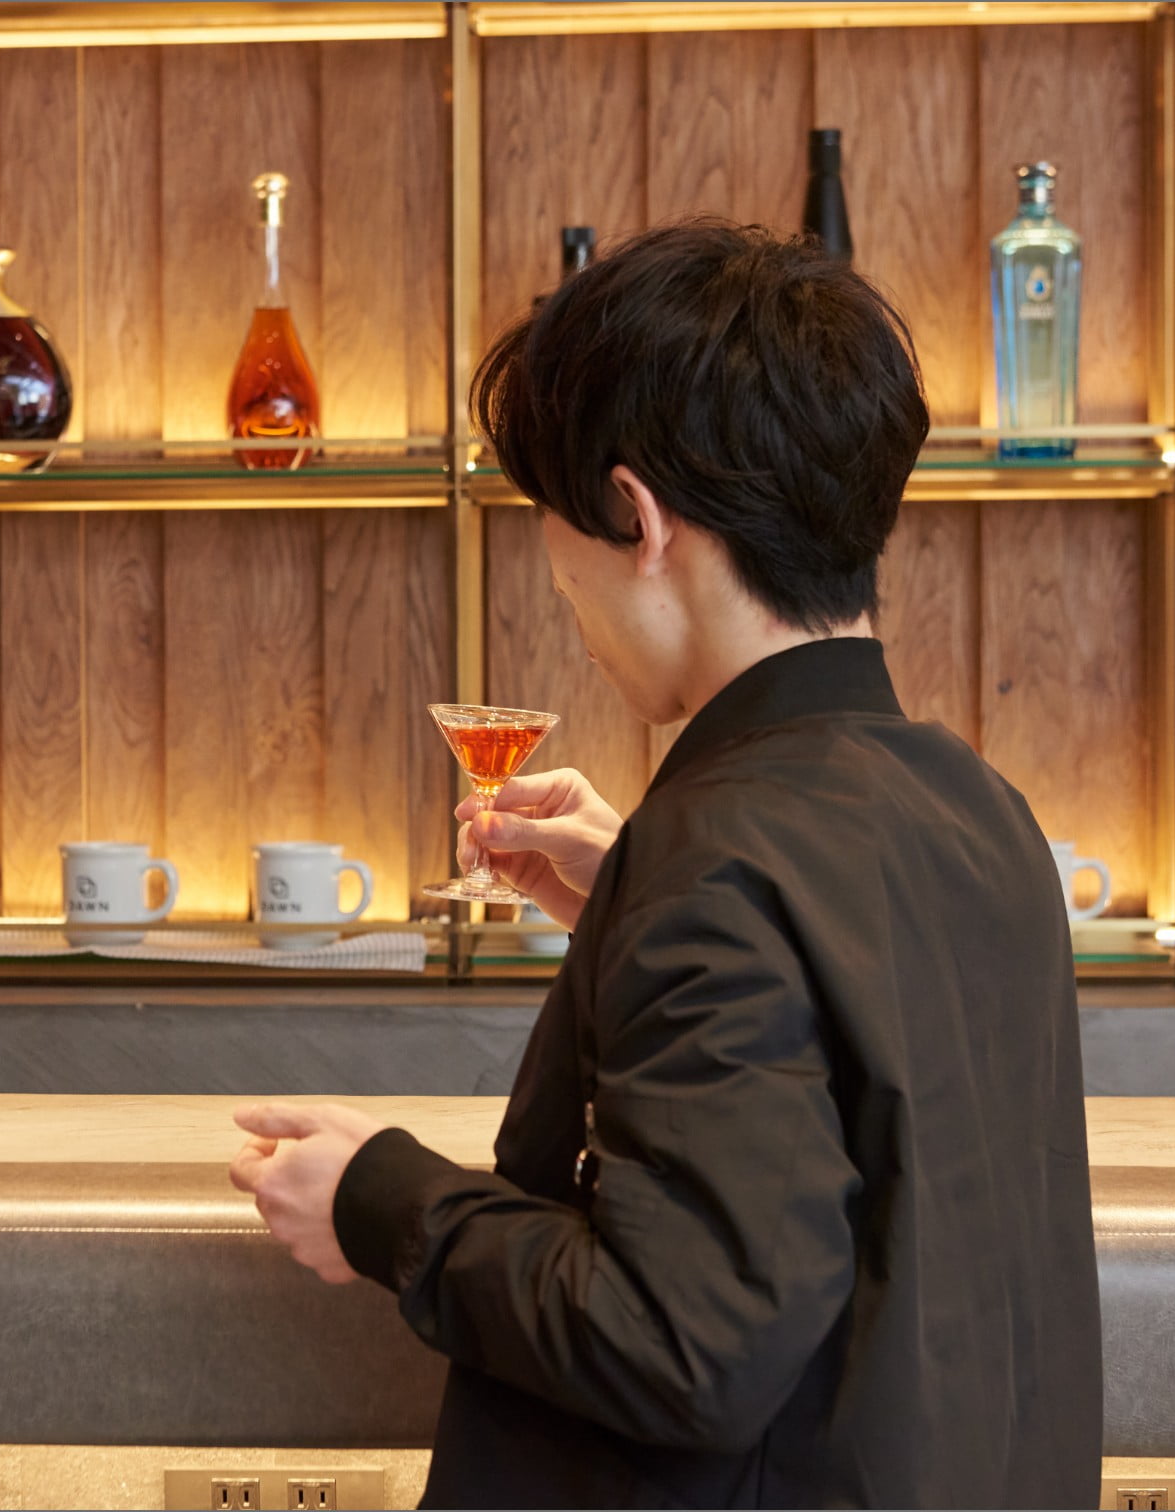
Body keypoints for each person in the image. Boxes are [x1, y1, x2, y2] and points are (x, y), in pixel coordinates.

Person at [228, 220, 1103, 1509]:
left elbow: (683, 1345)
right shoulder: (978, 806)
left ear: (635, 518)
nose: (563, 592)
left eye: (552, 533)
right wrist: (636, 892)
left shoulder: (715, 855)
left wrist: (381, 1201)